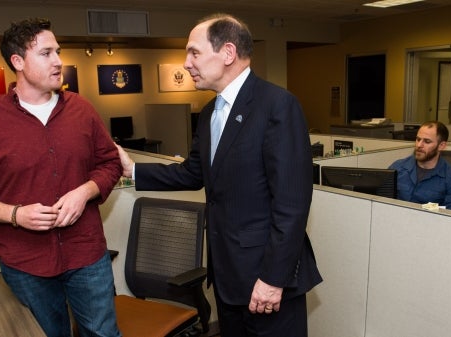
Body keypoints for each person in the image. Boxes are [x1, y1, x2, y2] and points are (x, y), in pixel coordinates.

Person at [117, 13, 321, 337]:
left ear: (227, 53)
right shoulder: (211, 112)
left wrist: (272, 279)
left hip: (266, 279)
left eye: (193, 52)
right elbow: (194, 172)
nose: (186, 63)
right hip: (227, 276)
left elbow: (292, 206)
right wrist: (134, 171)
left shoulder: (277, 105)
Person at [0, 18, 122, 337]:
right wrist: (15, 214)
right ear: (17, 61)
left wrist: (85, 191)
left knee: (103, 333)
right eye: (45, 53)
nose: (58, 61)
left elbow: (110, 163)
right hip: (25, 261)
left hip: (86, 254)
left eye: (57, 51)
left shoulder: (82, 110)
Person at [389, 120, 451, 211]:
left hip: (430, 223)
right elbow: (381, 202)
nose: (419, 145)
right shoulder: (397, 167)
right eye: (418, 139)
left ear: (441, 146)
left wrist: (426, 208)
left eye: (427, 141)